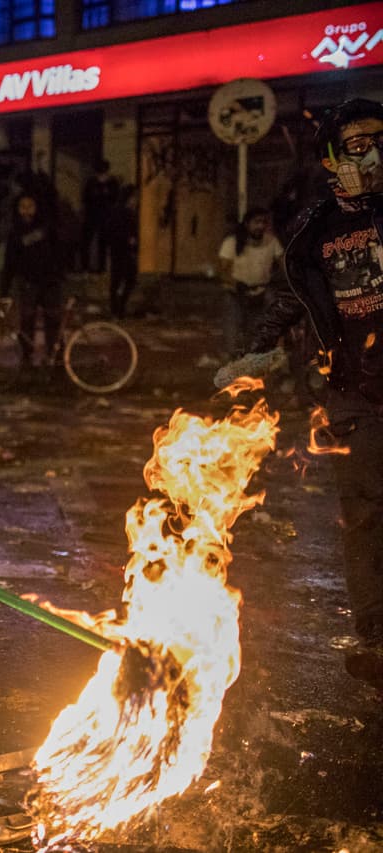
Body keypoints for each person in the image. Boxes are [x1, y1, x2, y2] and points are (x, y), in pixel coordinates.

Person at [216, 98, 383, 689]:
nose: (374, 156)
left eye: (379, 142)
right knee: (365, 515)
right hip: (356, 394)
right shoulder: (316, 230)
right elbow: (289, 295)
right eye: (359, 146)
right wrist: (257, 350)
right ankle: (375, 637)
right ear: (333, 159)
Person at [1, 192, 63, 375]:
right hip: (28, 284)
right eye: (23, 207)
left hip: (50, 282)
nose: (26, 211)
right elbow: (9, 262)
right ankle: (27, 360)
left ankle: (56, 360)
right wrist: (4, 288)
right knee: (26, 323)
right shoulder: (15, 233)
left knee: (53, 321)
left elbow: (59, 251)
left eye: (30, 206)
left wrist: (59, 273)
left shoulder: (47, 228)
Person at [218, 208, 283, 357]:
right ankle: (232, 361)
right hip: (235, 292)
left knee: (261, 326)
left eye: (263, 222)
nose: (260, 226)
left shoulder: (271, 241)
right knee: (233, 329)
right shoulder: (232, 242)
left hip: (261, 291)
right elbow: (223, 269)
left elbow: (283, 262)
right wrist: (236, 284)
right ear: (247, 223)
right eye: (256, 222)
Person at [107, 184, 139, 319]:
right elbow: (115, 231)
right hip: (120, 250)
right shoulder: (119, 212)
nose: (135, 200)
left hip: (126, 251)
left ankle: (119, 307)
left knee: (128, 279)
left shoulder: (130, 212)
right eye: (134, 197)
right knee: (118, 279)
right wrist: (127, 240)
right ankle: (116, 308)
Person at [81, 160, 119, 274]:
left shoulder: (112, 182)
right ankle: (86, 266)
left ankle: (100, 268)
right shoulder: (91, 182)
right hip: (92, 214)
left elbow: (114, 198)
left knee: (102, 241)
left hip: (105, 215)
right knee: (87, 240)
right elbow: (86, 198)